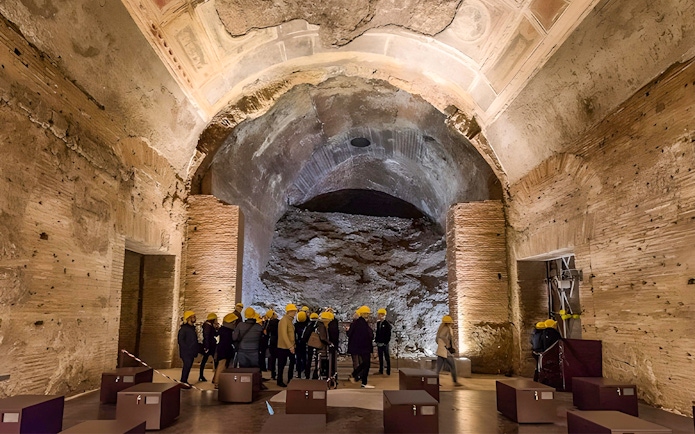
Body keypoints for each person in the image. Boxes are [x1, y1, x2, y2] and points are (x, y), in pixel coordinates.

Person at [347, 305, 375, 388]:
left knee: (364, 364)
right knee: (366, 364)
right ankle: (361, 381)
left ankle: (356, 376)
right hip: (364, 347)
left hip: (359, 347)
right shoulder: (363, 324)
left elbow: (350, 334)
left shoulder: (355, 323)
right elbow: (368, 336)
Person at [212, 312, 237, 387]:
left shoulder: (222, 329)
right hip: (225, 350)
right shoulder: (228, 331)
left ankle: (216, 380)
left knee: (220, 365)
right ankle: (217, 382)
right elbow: (231, 340)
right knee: (221, 366)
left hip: (222, 349)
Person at [435, 315, 461, 386]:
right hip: (446, 351)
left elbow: (437, 339)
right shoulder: (447, 329)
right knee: (452, 366)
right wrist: (448, 344)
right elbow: (443, 337)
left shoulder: (441, 329)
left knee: (438, 368)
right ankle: (455, 382)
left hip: (441, 351)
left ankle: (435, 381)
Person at [276, 303, 298, 387]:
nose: (295, 313)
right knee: (281, 364)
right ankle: (279, 380)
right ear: (290, 311)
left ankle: (290, 379)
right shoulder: (284, 320)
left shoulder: (289, 321)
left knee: (292, 363)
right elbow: (284, 335)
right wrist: (290, 346)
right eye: (294, 311)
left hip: (290, 346)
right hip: (284, 347)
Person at [177, 310, 198, 388]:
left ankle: (185, 381)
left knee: (188, 366)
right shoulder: (184, 329)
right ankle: (183, 382)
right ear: (189, 318)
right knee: (187, 366)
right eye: (193, 317)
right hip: (186, 352)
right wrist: (187, 348)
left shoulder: (192, 328)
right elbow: (180, 340)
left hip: (191, 351)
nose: (195, 318)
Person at [199, 313, 219, 382]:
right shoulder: (207, 326)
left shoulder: (209, 325)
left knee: (205, 361)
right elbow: (206, 336)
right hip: (209, 346)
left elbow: (215, 334)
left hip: (210, 345)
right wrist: (206, 347)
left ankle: (202, 376)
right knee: (212, 361)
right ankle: (202, 376)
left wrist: (217, 329)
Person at [374, 308, 392, 375]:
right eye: (379, 315)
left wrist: (386, 342)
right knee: (380, 357)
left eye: (382, 315)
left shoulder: (387, 324)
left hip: (384, 343)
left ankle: (388, 370)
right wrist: (377, 340)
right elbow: (378, 333)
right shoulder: (379, 323)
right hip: (379, 343)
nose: (380, 316)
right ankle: (381, 370)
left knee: (387, 356)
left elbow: (388, 334)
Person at [294, 311, 309, 379]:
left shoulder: (295, 325)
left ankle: (299, 373)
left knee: (298, 359)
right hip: (305, 343)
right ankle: (306, 373)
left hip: (298, 343)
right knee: (305, 359)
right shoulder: (307, 325)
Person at [305, 312, 320, 379]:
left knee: (309, 360)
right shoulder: (319, 326)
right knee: (317, 360)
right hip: (317, 346)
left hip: (310, 345)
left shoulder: (309, 326)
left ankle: (307, 374)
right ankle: (316, 374)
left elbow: (305, 336)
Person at [265, 310, 279, 380]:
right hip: (278, 341)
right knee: (279, 359)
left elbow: (266, 333)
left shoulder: (268, 323)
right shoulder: (278, 322)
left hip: (271, 341)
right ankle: (279, 374)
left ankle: (273, 374)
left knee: (272, 358)